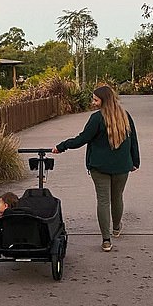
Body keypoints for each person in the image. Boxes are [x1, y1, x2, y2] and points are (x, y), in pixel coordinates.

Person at [52, 85, 139, 251]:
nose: (93, 102)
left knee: (103, 200)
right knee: (117, 197)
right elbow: (133, 140)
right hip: (122, 166)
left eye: (96, 99)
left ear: (104, 100)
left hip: (99, 167)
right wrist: (135, 162)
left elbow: (82, 139)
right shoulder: (125, 116)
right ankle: (116, 228)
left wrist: (62, 146)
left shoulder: (97, 118)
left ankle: (106, 240)